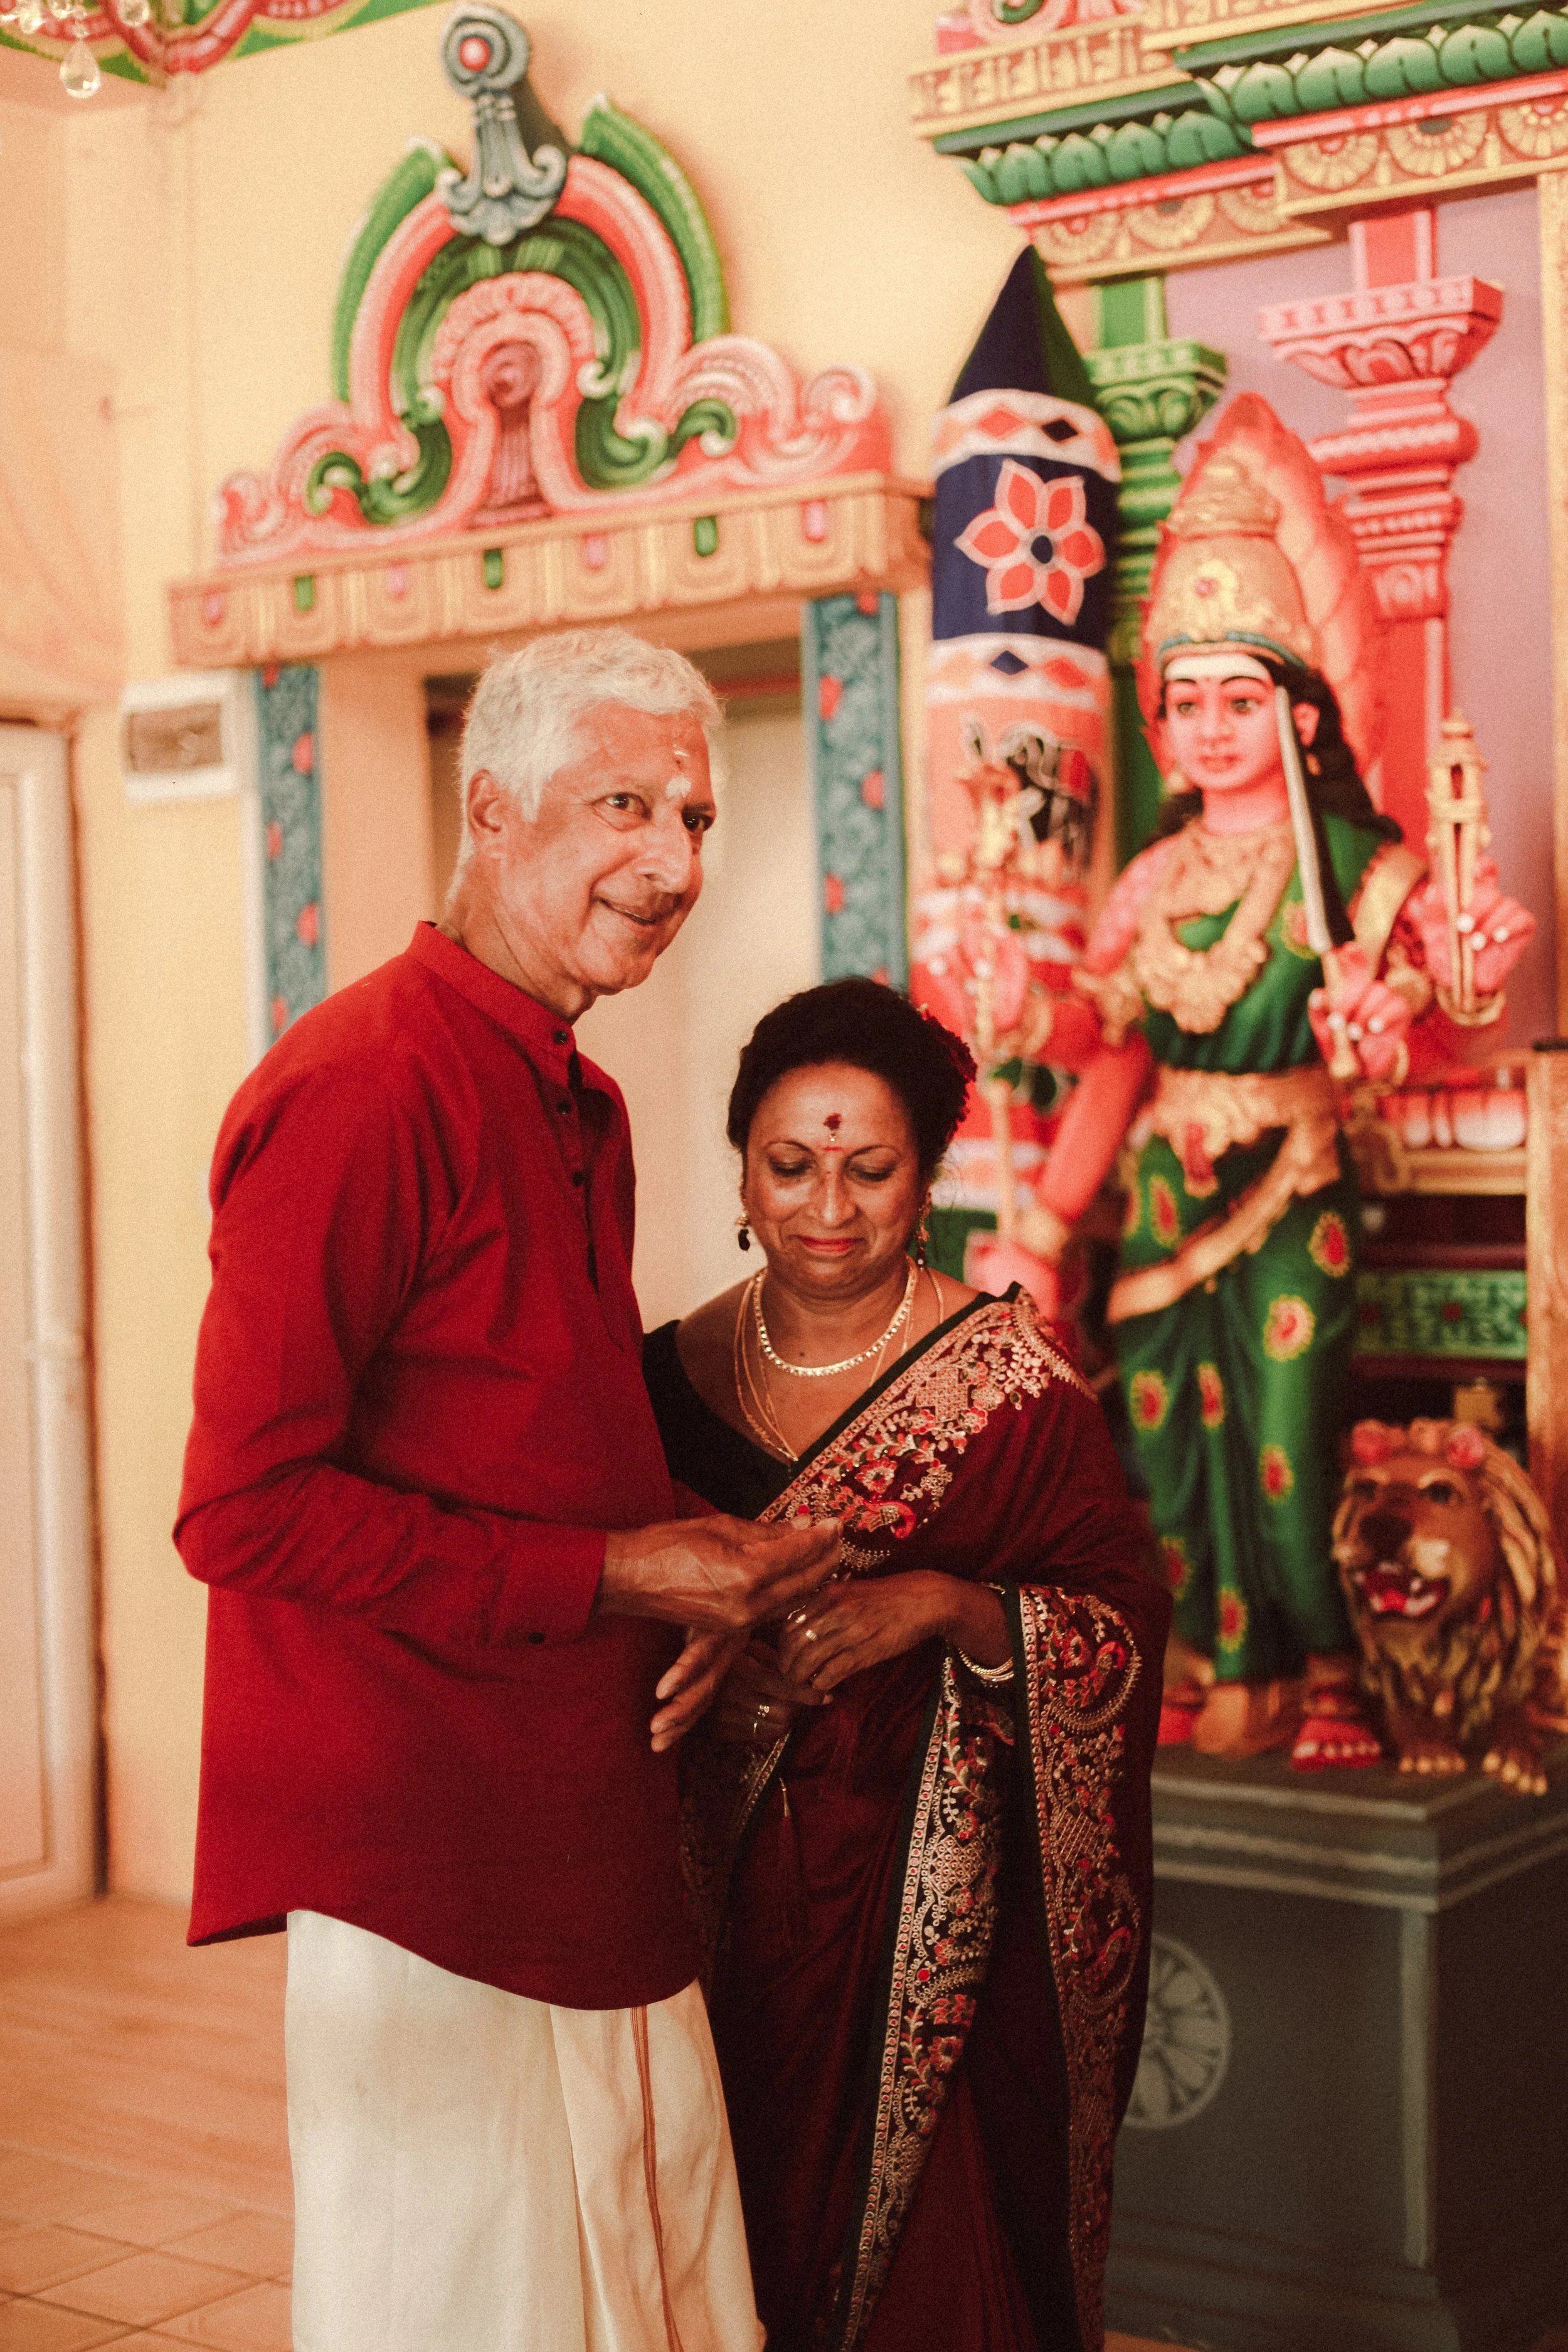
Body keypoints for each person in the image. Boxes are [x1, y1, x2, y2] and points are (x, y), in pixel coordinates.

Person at [174, 628, 839, 2352]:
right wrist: (626, 1575)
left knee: (637, 2244)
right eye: (622, 801)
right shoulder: (358, 1085)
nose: (673, 858)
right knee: (465, 2280)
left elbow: (529, 1424)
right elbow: (239, 1509)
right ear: (492, 810)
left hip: (579, 1784)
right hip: (426, 1835)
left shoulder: (582, 1097)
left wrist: (695, 1587)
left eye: (694, 811)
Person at [983, 395, 1535, 1767]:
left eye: (1242, 700)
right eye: (1186, 704)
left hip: (1294, 1190)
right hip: (1166, 1195)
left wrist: (1406, 1003)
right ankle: (1203, 1663)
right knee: (1165, 1450)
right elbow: (1106, 1053)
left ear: (1299, 715)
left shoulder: (1358, 867)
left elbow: (1445, 1019)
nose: (1212, 728)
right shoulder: (1153, 880)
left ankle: (1327, 1678)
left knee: (1290, 1444)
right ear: (1160, 727)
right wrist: (1023, 1039)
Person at [642, 977, 1168, 2352]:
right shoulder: (659, 1376)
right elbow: (594, 1593)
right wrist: (707, 1641)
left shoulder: (1011, 1399)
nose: (827, 1207)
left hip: (926, 1946)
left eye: (869, 1170)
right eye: (790, 1166)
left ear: (923, 1178)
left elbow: (1115, 1628)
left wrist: (945, 1606)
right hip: (692, 1910)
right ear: (741, 1170)